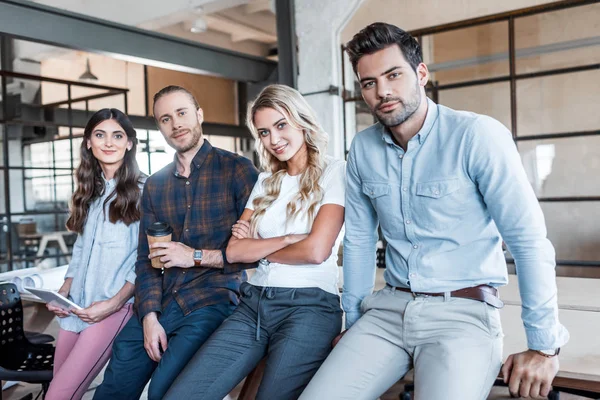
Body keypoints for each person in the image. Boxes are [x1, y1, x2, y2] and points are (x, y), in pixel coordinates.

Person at [301, 22, 569, 400]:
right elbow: (359, 241)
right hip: (387, 312)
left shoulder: (477, 136)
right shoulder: (362, 148)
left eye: (393, 75)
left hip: (463, 315)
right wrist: (355, 324)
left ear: (421, 73)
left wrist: (544, 346)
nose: (383, 91)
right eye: (369, 83)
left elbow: (528, 242)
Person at [164, 84, 345, 400]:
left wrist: (261, 248)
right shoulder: (265, 182)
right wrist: (289, 239)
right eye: (263, 132)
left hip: (309, 308)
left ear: (301, 121)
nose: (274, 140)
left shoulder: (335, 171)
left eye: (280, 125)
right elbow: (234, 251)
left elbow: (317, 251)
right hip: (253, 304)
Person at [93, 86, 259, 400]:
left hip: (211, 300)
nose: (176, 123)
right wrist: (150, 316)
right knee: (112, 389)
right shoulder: (155, 185)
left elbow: (257, 253)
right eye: (165, 118)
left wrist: (194, 256)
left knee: (163, 392)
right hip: (161, 302)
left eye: (182, 113)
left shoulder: (238, 170)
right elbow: (146, 261)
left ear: (199, 115)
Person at [45, 108, 144, 400]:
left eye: (118, 135)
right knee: (59, 391)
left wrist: (113, 305)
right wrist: (63, 291)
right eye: (100, 135)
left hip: (112, 310)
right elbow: (80, 249)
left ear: (129, 143)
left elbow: (146, 259)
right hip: (75, 307)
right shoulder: (90, 192)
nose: (109, 143)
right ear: (89, 142)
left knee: (57, 397)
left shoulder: (146, 190)